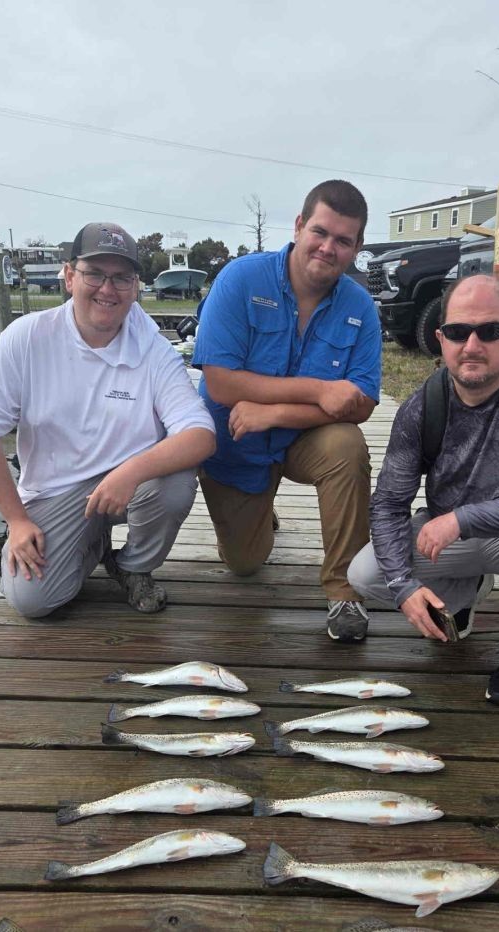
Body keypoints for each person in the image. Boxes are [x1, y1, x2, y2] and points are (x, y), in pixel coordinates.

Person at [348, 273, 499, 706]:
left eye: (491, 330)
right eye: (460, 331)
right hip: (451, 538)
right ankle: (462, 597)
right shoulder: (422, 406)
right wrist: (405, 589)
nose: (473, 344)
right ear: (441, 339)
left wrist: (464, 519)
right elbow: (388, 504)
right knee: (365, 574)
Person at [0, 221, 215, 618]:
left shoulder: (154, 348)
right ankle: (93, 542)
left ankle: (133, 567)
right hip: (56, 490)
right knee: (33, 602)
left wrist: (130, 472)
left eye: (121, 278)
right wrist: (15, 521)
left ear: (135, 287)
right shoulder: (26, 337)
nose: (107, 289)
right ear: (69, 276)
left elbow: (200, 435)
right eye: (94, 274)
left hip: (131, 486)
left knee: (176, 482)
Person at [192, 180, 382, 642]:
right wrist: (319, 389)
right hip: (235, 444)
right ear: (298, 226)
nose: (327, 247)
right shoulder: (240, 279)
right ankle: (261, 515)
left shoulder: (360, 306)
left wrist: (273, 412)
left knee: (346, 445)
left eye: (343, 240)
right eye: (320, 232)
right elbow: (219, 382)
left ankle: (345, 591)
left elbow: (360, 403)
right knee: (244, 564)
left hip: (301, 439)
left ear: (356, 248)